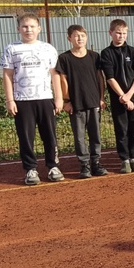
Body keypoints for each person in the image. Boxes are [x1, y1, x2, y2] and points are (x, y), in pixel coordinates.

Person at [0, 13, 64, 185]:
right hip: (22, 100)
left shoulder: (48, 48)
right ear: (18, 29)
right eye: (25, 26)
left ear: (39, 29)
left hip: (45, 98)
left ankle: (53, 166)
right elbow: (7, 75)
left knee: (49, 135)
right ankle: (30, 170)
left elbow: (55, 75)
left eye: (32, 26)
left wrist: (59, 98)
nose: (29, 30)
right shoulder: (11, 49)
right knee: (26, 137)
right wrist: (10, 100)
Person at [56, 25, 108, 179]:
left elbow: (100, 78)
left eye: (82, 36)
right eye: (76, 36)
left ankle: (96, 163)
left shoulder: (94, 56)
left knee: (95, 134)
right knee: (79, 136)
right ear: (69, 39)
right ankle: (84, 165)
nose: (79, 39)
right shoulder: (64, 58)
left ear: (87, 38)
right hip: (76, 103)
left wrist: (101, 98)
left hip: (93, 102)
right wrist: (67, 101)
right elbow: (62, 80)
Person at [100, 19, 134, 174]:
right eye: (118, 33)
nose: (121, 36)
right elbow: (110, 77)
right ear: (111, 33)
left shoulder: (133, 52)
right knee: (121, 129)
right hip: (118, 99)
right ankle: (124, 160)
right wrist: (122, 96)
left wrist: (130, 95)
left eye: (124, 33)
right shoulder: (106, 53)